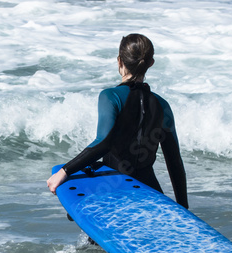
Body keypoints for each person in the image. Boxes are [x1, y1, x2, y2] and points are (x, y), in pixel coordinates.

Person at [47, 33, 188, 209]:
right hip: (150, 192)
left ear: (119, 61)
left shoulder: (110, 97)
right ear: (150, 63)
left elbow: (104, 143)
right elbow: (174, 162)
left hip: (113, 189)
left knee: (96, 237)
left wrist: (64, 171)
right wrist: (184, 209)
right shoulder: (163, 106)